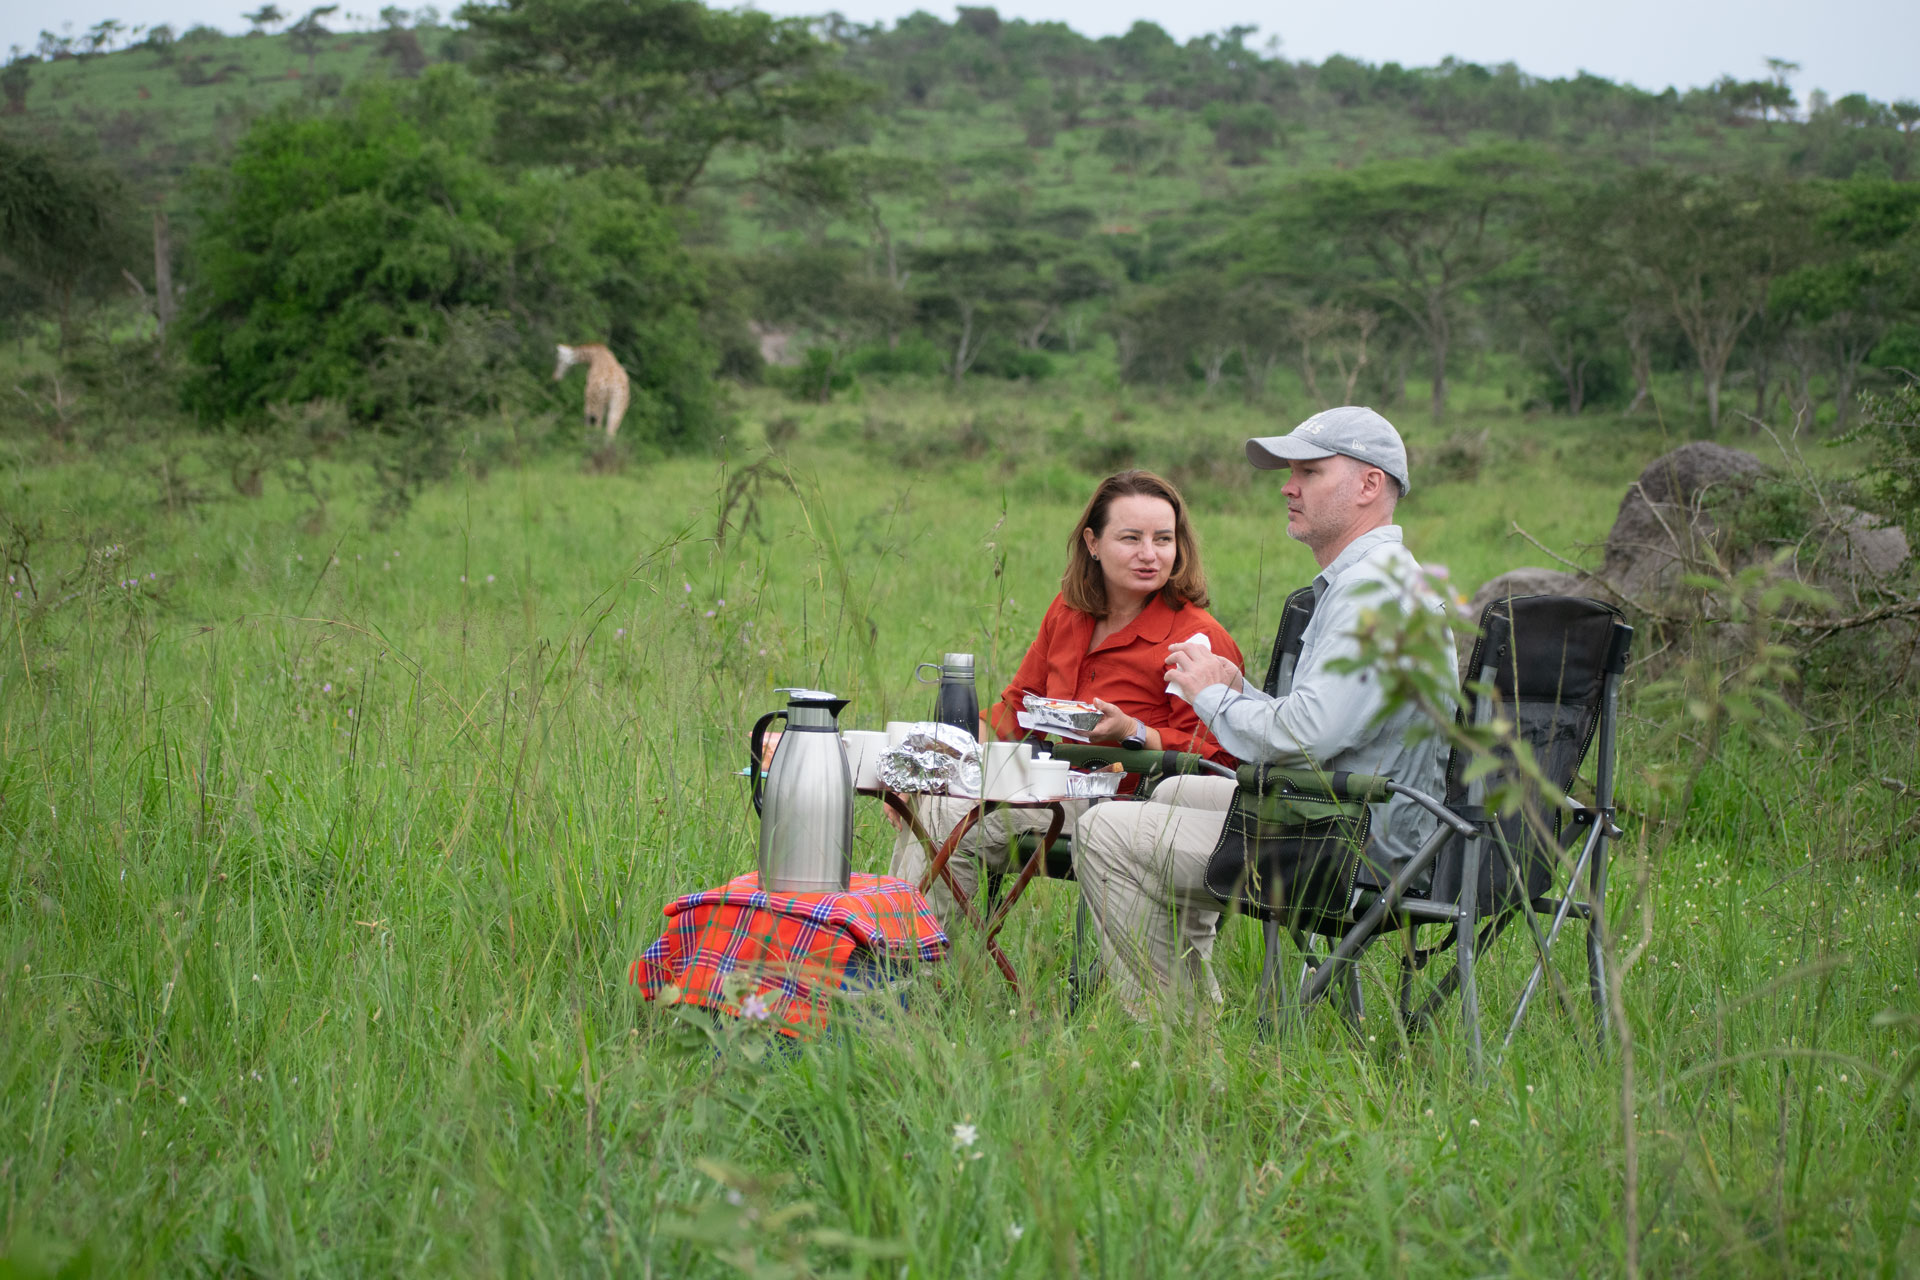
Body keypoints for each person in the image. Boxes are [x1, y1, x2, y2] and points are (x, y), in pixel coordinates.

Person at [1073, 406, 1456, 1018]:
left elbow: (1304, 737)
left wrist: (1210, 696)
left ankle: (1171, 1029)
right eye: (1290, 473)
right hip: (1359, 815)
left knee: (1104, 832)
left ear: (1369, 485)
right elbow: (1330, 724)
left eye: (1309, 472)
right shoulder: (1376, 578)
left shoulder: (1373, 592)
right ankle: (1195, 1005)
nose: (1288, 486)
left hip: (1354, 846)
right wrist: (1239, 690)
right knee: (1172, 791)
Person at [889, 470, 1245, 930]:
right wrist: (931, 765)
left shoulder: (1196, 638)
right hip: (1051, 785)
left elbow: (1220, 762)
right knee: (928, 800)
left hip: (1130, 804)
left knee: (950, 813)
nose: (1149, 554)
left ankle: (907, 957)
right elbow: (1015, 711)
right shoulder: (1069, 611)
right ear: (1092, 543)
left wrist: (1134, 732)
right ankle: (899, 947)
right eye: (1131, 538)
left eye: (1163, 539)